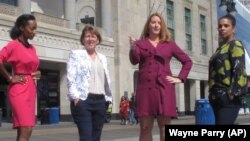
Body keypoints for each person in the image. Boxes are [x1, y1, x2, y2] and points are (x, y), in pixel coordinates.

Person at [129, 12, 192, 141]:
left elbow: (187, 61)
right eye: (153, 22)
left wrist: (180, 78)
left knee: (164, 127)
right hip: (145, 89)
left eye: (159, 23)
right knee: (145, 127)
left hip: (164, 89)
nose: (156, 25)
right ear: (148, 25)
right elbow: (134, 60)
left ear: (162, 26)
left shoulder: (169, 44)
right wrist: (133, 47)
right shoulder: (140, 43)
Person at [67, 25, 112, 141]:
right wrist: (75, 98)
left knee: (96, 138)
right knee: (86, 138)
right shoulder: (76, 54)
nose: (90, 39)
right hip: (84, 100)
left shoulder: (103, 57)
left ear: (97, 40)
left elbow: (106, 79)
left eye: (93, 36)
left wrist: (108, 99)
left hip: (100, 101)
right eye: (87, 36)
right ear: (83, 39)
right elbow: (70, 77)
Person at [0, 14, 41, 141]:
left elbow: (33, 68)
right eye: (31, 28)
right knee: (26, 128)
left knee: (24, 129)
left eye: (35, 28)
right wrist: (10, 78)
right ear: (22, 28)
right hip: (19, 88)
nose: (34, 32)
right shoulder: (14, 45)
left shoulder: (32, 48)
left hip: (31, 89)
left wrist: (38, 73)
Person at [208, 14, 247, 125]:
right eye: (220, 26)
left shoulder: (235, 44)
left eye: (226, 26)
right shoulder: (219, 49)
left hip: (228, 99)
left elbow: (239, 69)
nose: (222, 28)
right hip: (216, 97)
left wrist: (233, 93)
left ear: (233, 28)